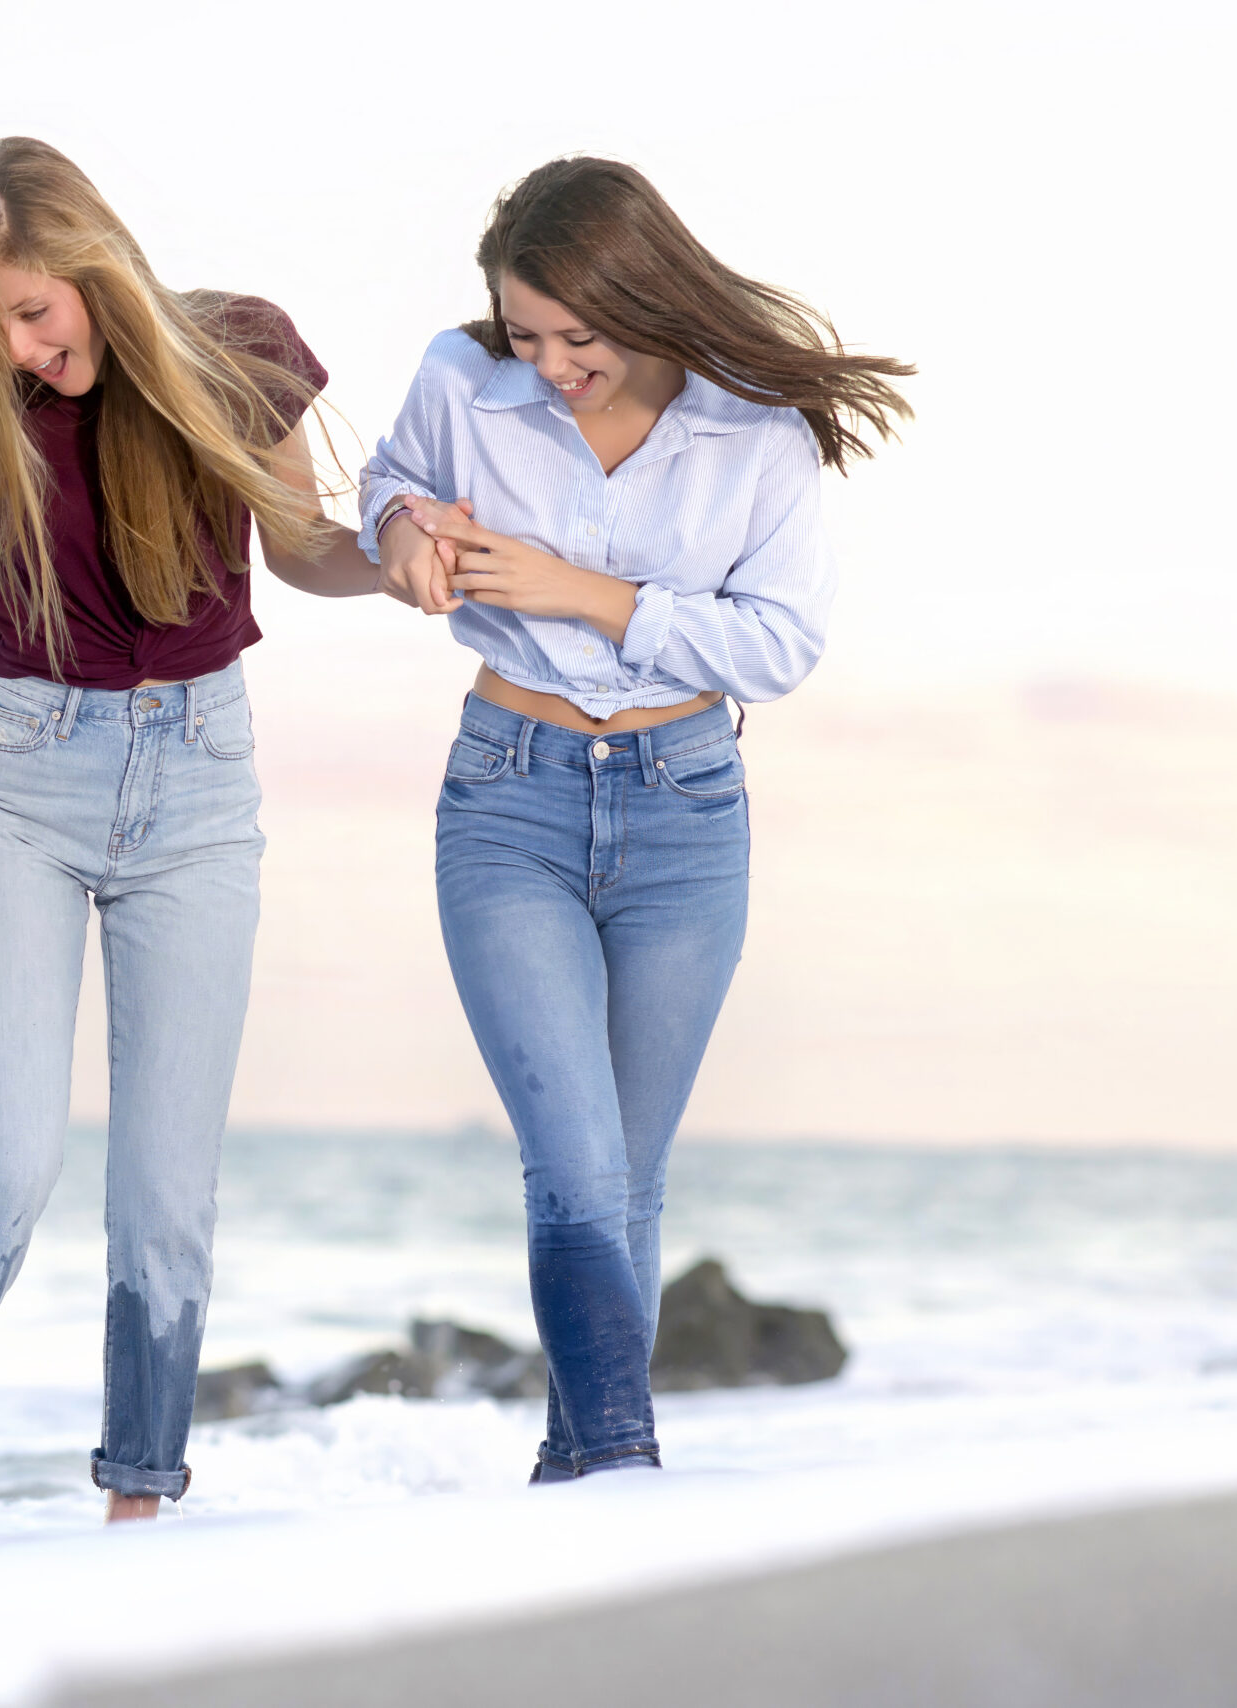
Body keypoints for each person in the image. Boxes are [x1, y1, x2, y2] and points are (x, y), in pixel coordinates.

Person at [0, 137, 384, 1532]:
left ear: (94, 265)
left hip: (202, 786)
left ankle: (137, 1516)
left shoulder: (240, 351)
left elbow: (303, 546)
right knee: (9, 1156)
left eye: (32, 312)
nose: (18, 349)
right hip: (22, 782)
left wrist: (403, 569)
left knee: (167, 1191)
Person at [361, 157, 912, 1481]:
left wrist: (582, 591)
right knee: (574, 1162)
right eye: (527, 335)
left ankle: (583, 1480)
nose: (551, 366)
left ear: (647, 299)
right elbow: (391, 482)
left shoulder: (758, 432)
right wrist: (402, 535)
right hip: (509, 793)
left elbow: (778, 647)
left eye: (579, 338)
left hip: (685, 809)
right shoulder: (461, 380)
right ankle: (620, 1464)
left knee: (631, 1173)